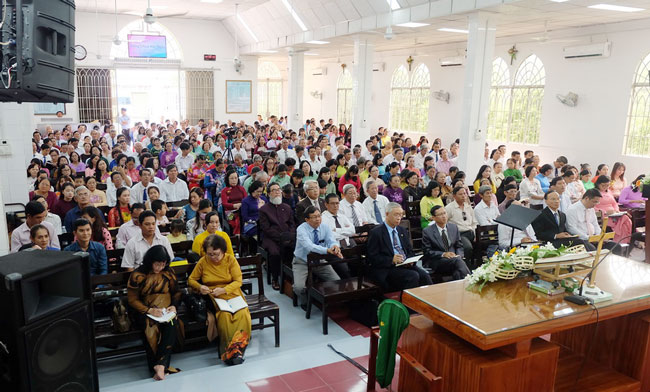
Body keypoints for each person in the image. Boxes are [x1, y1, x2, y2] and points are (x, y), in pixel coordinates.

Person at [188, 235, 252, 365]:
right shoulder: (203, 261)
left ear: (223, 251)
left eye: (216, 254)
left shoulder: (230, 260)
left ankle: (238, 350)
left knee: (243, 314)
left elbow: (238, 281)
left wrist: (224, 290)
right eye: (210, 254)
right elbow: (191, 280)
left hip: (232, 293)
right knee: (224, 316)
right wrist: (200, 287)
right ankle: (228, 353)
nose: (213, 258)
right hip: (214, 296)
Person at [127, 245, 183, 380]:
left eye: (163, 264)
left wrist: (174, 306)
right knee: (149, 326)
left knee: (171, 323)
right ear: (150, 261)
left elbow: (177, 292)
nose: (160, 268)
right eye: (157, 264)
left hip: (166, 310)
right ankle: (156, 365)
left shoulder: (169, 273)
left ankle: (160, 366)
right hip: (144, 310)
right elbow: (132, 300)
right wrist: (149, 310)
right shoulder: (138, 275)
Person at [366, 202, 432, 291]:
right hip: (388, 268)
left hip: (404, 265)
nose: (399, 218)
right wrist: (391, 260)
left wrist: (411, 260)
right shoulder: (376, 232)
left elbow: (409, 251)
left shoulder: (402, 231)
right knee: (413, 276)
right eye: (396, 215)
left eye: (401, 215)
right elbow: (372, 257)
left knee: (425, 276)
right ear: (387, 214)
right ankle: (408, 303)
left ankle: (427, 301)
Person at [292, 206, 342, 307]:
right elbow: (309, 246)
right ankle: (305, 302)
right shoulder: (301, 229)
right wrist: (326, 250)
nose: (318, 219)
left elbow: (331, 240)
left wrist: (334, 247)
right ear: (307, 219)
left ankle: (327, 300)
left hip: (319, 260)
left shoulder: (324, 227)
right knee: (299, 287)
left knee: (336, 280)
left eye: (319, 216)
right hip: (302, 261)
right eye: (314, 217)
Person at [259, 183, 296, 290]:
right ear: (269, 193)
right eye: (274, 190)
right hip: (271, 238)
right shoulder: (264, 209)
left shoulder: (287, 207)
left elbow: (292, 224)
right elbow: (266, 229)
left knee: (296, 249)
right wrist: (280, 238)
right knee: (275, 253)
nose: (277, 192)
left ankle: (289, 276)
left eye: (279, 190)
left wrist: (290, 236)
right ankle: (275, 278)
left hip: (287, 237)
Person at [421, 205, 470, 280]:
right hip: (437, 261)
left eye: (444, 213)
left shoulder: (453, 227)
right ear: (433, 218)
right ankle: (471, 281)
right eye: (440, 214)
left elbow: (459, 245)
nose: (444, 216)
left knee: (457, 272)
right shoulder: (427, 231)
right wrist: (443, 254)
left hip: (454, 260)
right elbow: (427, 251)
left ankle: (460, 289)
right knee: (458, 262)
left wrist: (459, 255)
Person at [594, 175, 632, 244]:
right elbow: (593, 206)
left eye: (607, 185)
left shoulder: (609, 191)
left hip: (614, 213)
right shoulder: (594, 192)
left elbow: (614, 203)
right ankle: (616, 242)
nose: (605, 187)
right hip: (603, 215)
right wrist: (605, 212)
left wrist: (616, 210)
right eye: (603, 185)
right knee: (617, 222)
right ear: (598, 184)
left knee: (626, 219)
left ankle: (624, 242)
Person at [444, 186, 476, 264]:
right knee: (467, 247)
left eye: (464, 193)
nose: (463, 196)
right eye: (460, 194)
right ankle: (464, 265)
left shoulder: (468, 206)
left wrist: (475, 233)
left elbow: (474, 222)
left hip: (470, 232)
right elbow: (444, 222)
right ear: (454, 196)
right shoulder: (449, 208)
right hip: (459, 234)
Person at [221, 170, 247, 235]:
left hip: (242, 210)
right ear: (228, 179)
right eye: (232, 178)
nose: (234, 180)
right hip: (230, 213)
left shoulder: (241, 189)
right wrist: (234, 206)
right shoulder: (224, 191)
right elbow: (224, 204)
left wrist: (241, 205)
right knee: (237, 221)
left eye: (236, 178)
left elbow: (246, 200)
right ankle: (237, 237)